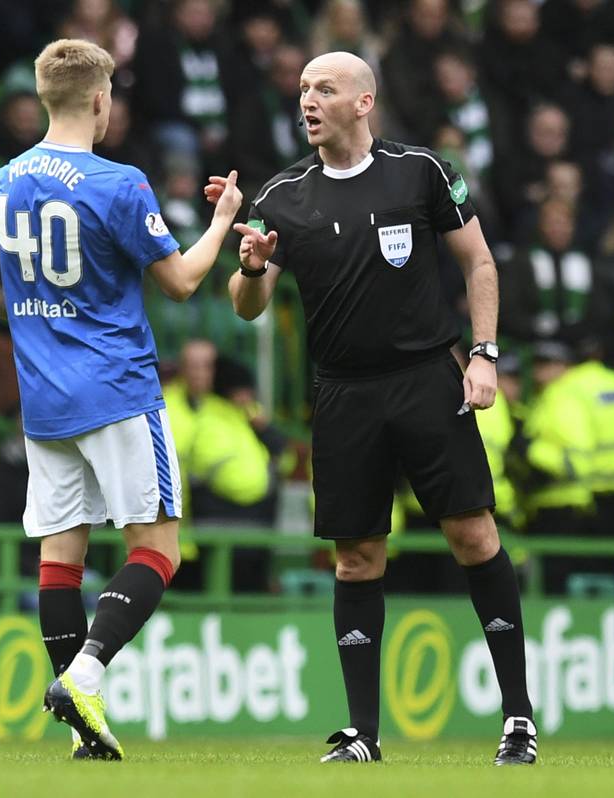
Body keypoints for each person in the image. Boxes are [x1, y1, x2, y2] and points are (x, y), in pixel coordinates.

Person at [214, 51, 536, 765]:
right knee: (356, 559)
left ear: (363, 102)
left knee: (473, 537)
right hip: (342, 393)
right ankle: (364, 733)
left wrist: (484, 354)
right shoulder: (283, 194)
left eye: (324, 89)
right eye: (303, 89)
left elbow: (479, 261)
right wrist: (252, 267)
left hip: (427, 378)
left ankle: (518, 718)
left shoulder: (421, 171)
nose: (308, 100)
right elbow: (246, 307)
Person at [0, 38, 242, 761]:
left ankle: (82, 729)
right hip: (118, 389)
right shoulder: (118, 183)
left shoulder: (1, 183)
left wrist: (47, 316)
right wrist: (221, 222)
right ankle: (85, 676)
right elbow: (181, 283)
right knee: (158, 548)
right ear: (100, 100)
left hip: (43, 400)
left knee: (61, 554)